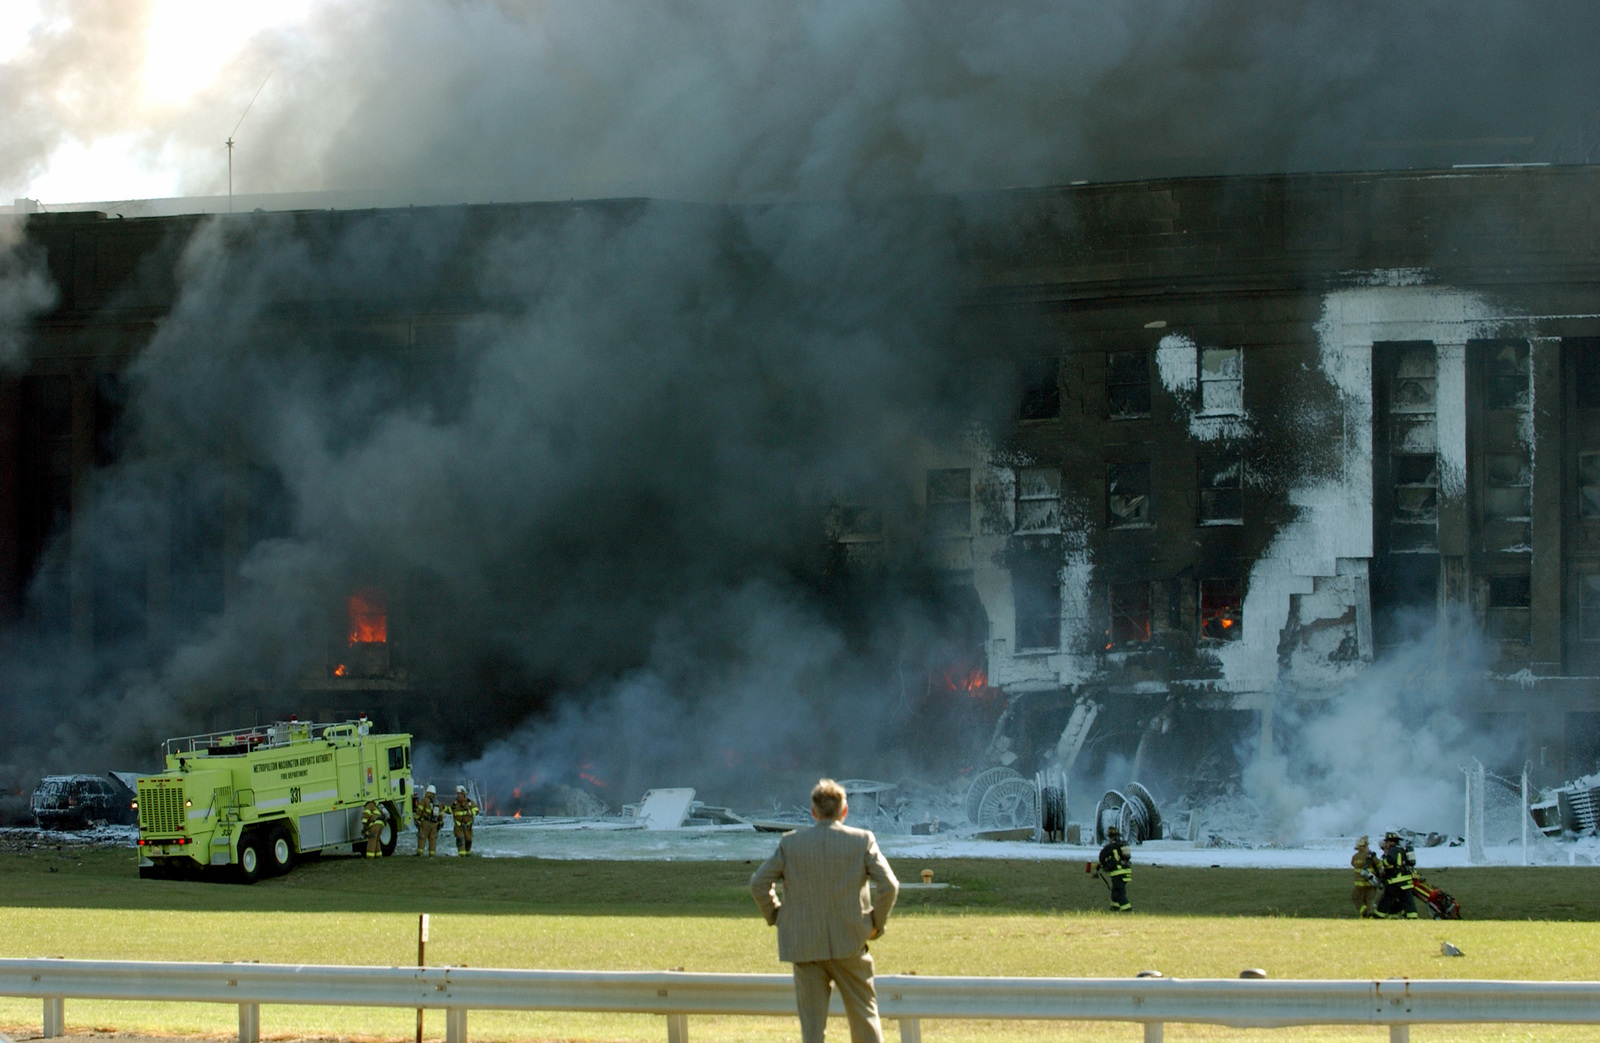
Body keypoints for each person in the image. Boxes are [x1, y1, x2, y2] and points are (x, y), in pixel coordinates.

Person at [750, 778, 899, 1043]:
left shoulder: (790, 844)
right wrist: (876, 922)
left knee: (812, 1031)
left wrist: (777, 915)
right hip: (851, 941)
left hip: (805, 946)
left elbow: (759, 883)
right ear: (844, 811)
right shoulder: (862, 840)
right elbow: (889, 884)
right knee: (866, 1021)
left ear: (813, 812)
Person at [1376, 831, 1419, 919]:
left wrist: (1383, 860)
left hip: (1395, 882)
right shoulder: (1402, 849)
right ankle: (1413, 918)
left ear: (1392, 842)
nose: (1386, 844)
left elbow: (1389, 861)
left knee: (1385, 901)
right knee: (1408, 903)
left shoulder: (1393, 850)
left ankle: (1377, 918)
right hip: (1406, 882)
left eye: (1387, 842)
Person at [1098, 825, 1132, 911]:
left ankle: (1127, 910)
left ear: (1110, 837)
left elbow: (1101, 857)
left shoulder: (1109, 847)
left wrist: (1104, 865)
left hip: (1118, 873)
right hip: (1126, 873)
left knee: (1119, 893)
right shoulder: (1122, 845)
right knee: (1114, 891)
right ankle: (1114, 907)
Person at [1351, 836, 1380, 917]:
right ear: (1365, 846)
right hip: (1370, 884)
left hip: (1359, 885)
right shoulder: (1371, 856)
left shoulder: (1354, 857)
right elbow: (1380, 865)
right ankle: (1368, 914)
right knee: (1369, 901)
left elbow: (1353, 864)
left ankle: (1364, 913)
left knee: (1358, 899)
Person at [449, 785, 479, 856]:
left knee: (468, 840)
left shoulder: (470, 803)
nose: (458, 796)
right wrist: (443, 808)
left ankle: (468, 854)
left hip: (468, 827)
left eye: (459, 794)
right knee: (460, 838)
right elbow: (449, 810)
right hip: (458, 826)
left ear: (463, 794)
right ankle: (461, 855)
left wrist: (471, 813)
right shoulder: (454, 804)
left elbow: (476, 810)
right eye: (457, 794)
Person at [414, 785, 441, 856]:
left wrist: (416, 819)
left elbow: (419, 810)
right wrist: (440, 823)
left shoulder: (424, 800)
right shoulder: (436, 801)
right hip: (434, 823)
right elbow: (440, 813)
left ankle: (420, 853)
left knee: (422, 837)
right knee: (432, 839)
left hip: (425, 822)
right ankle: (432, 854)